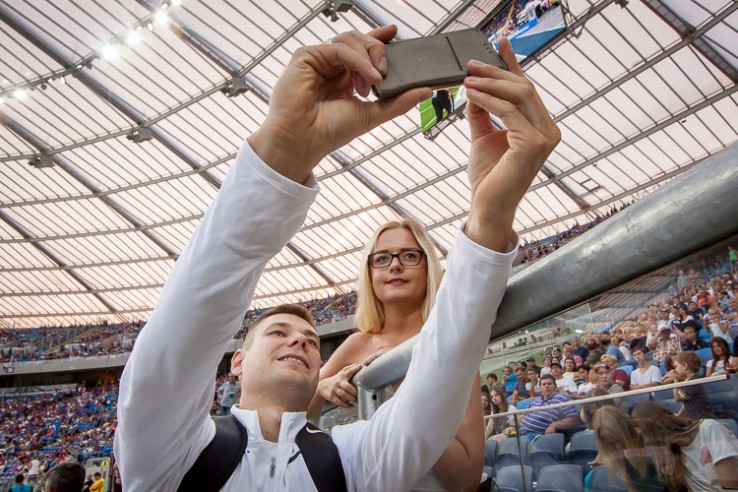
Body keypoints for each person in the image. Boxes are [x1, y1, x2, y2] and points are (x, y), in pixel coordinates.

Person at [113, 25, 560, 492]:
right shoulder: (168, 452)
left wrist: (490, 215)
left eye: (311, 341)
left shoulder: (352, 461)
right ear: (237, 362)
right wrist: (281, 154)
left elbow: (446, 360)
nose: (302, 341)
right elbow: (188, 322)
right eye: (279, 333)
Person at [306, 214, 483, 490]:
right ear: (370, 275)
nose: (395, 265)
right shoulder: (356, 345)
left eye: (409, 256)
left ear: (428, 268)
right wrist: (320, 389)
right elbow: (289, 415)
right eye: (382, 258)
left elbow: (468, 482)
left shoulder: (449, 343)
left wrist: (410, 405)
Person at [631, 401, 738, 491]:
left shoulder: (709, 429)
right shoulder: (674, 452)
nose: (645, 442)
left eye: (644, 435)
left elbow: (731, 486)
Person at [491, 375, 579, 443]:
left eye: (549, 384)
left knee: (500, 443)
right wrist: (513, 425)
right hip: (520, 431)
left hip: (537, 436)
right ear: (540, 387)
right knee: (492, 440)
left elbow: (574, 419)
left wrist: (555, 425)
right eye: (544, 384)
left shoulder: (561, 398)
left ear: (555, 386)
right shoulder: (536, 401)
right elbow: (524, 416)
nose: (547, 386)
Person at [672, 351, 713, 420]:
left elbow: (677, 398)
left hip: (699, 418)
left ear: (685, 365)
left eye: (676, 366)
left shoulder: (692, 382)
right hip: (692, 417)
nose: (675, 369)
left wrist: (675, 380)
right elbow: (686, 400)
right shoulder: (689, 381)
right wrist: (679, 415)